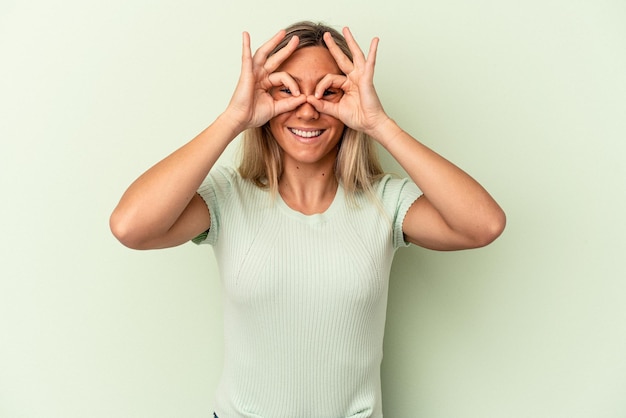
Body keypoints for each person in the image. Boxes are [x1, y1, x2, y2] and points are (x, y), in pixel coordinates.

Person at [110, 21, 505, 418]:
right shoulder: (228, 196)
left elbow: (483, 225)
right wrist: (234, 117)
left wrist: (379, 124)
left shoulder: (384, 201)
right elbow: (131, 227)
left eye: (328, 91)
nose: (307, 109)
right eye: (288, 90)